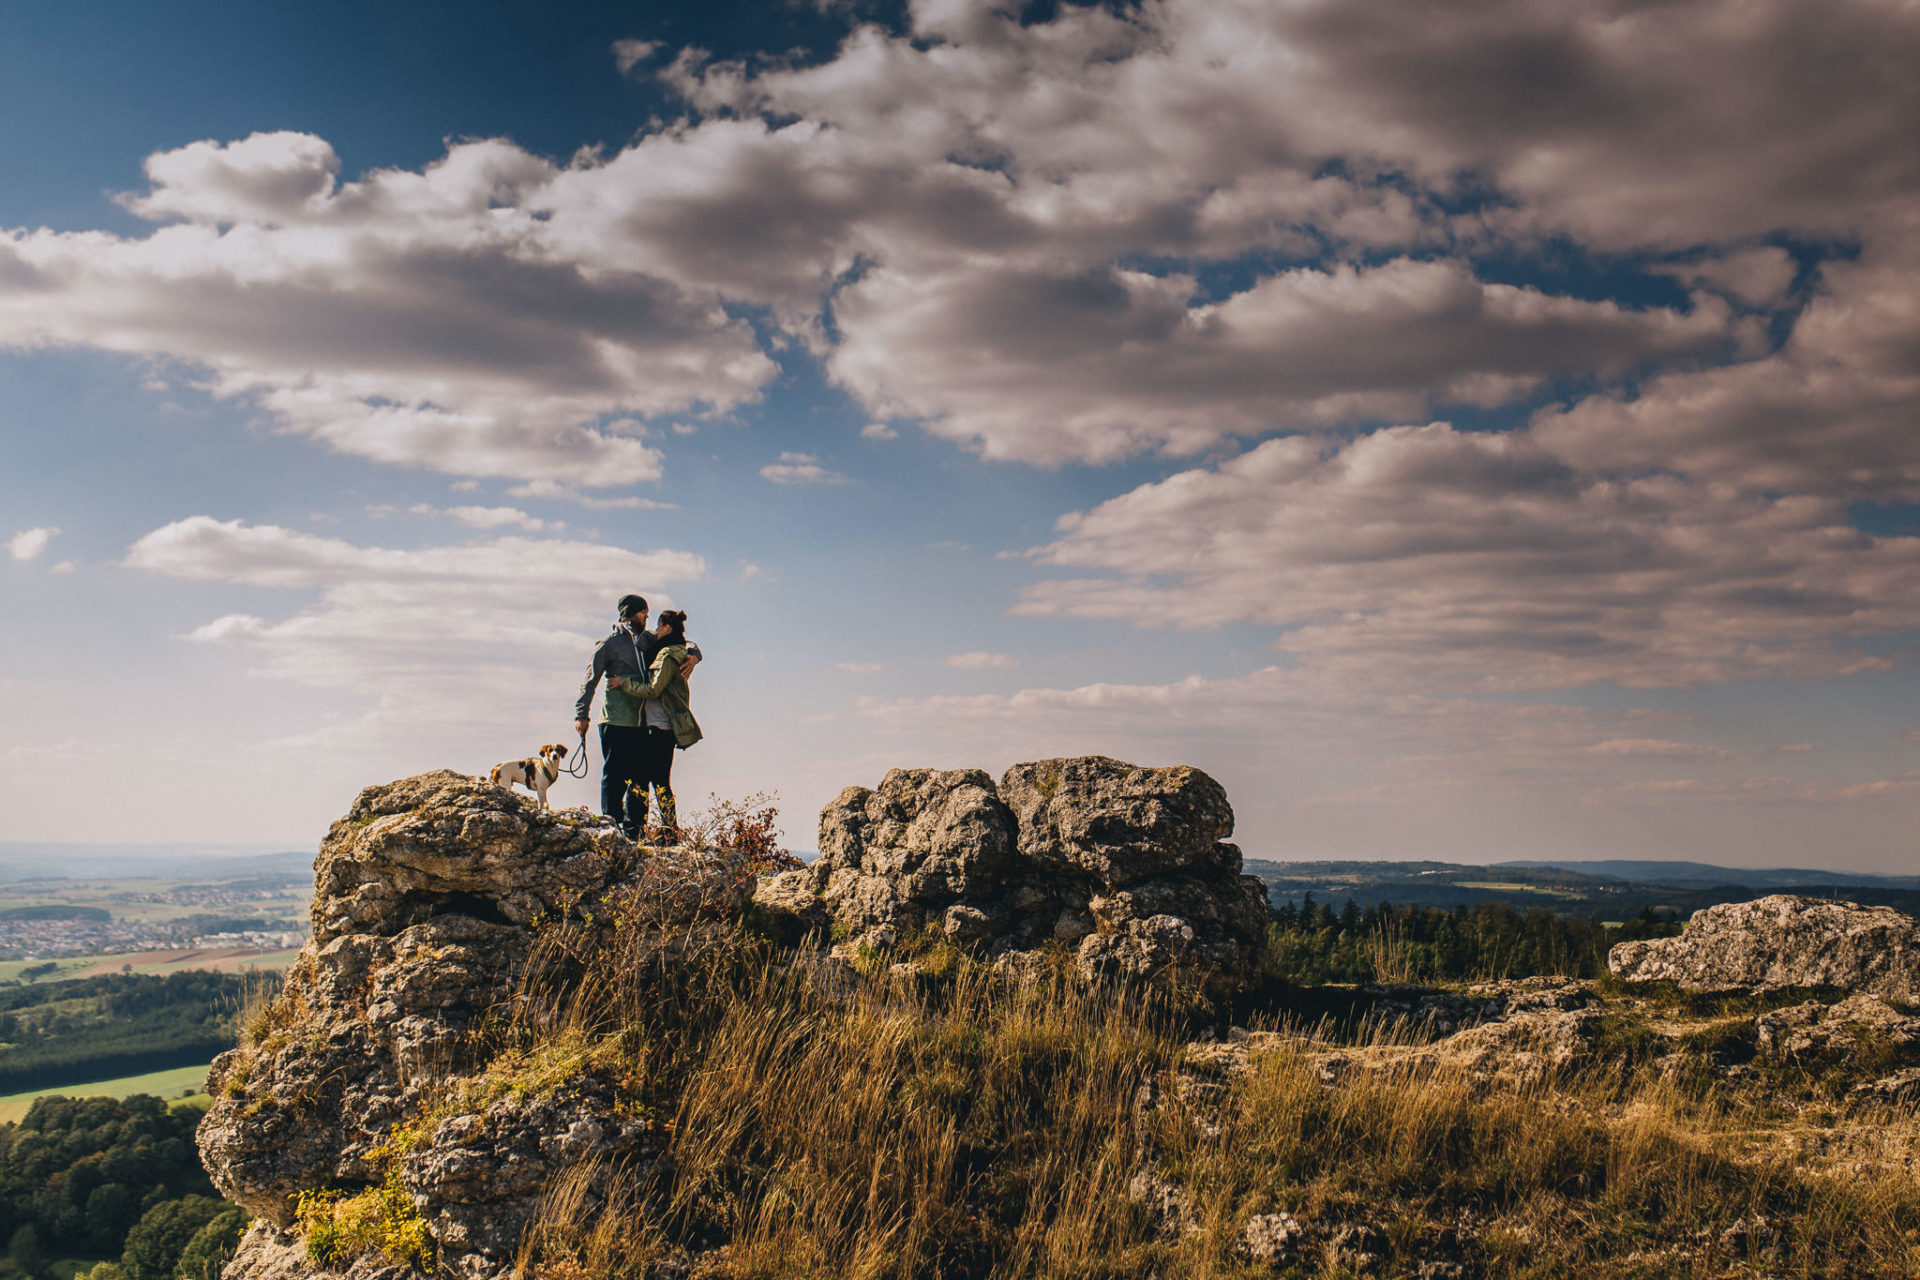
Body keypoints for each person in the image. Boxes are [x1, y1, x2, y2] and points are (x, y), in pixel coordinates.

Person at [574, 595, 700, 840]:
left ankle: (635, 831)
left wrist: (694, 656)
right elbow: (590, 680)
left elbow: (684, 641)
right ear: (631, 613)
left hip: (640, 723)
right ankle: (611, 825)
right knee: (614, 775)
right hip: (615, 719)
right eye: (643, 613)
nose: (647, 617)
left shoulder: (647, 639)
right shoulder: (609, 644)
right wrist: (582, 715)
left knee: (638, 779)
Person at [608, 608, 702, 842]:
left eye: (659, 626)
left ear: (667, 628)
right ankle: (666, 832)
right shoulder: (671, 650)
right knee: (658, 781)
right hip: (660, 729)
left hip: (658, 729)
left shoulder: (668, 655)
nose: (655, 630)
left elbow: (653, 689)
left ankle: (642, 832)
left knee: (644, 779)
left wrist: (623, 683)